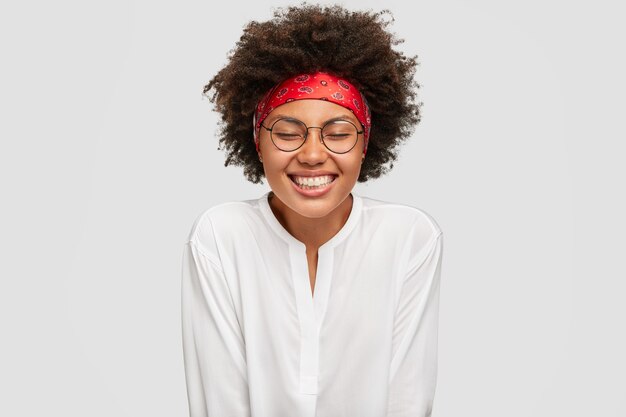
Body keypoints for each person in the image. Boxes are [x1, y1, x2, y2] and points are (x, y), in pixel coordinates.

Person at [181, 4, 444, 417]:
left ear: (365, 144)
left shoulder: (409, 237)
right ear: (257, 141)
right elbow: (220, 399)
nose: (313, 154)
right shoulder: (221, 235)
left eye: (339, 133)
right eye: (287, 133)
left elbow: (407, 398)